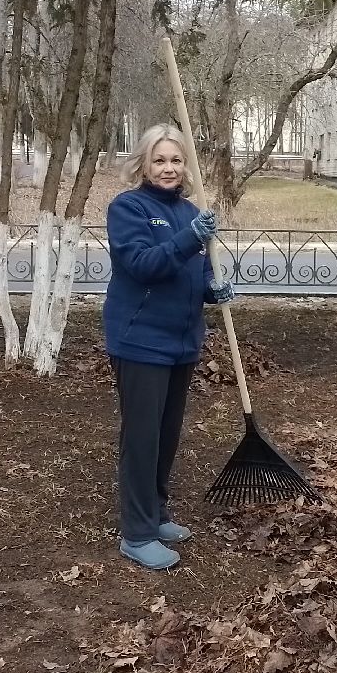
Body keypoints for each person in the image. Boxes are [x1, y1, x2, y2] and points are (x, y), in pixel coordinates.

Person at [103, 124, 234, 571]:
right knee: (141, 437)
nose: (168, 168)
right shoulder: (128, 208)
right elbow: (142, 265)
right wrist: (190, 238)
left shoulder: (188, 212)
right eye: (159, 160)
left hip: (181, 342)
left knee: (167, 434)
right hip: (140, 340)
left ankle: (156, 514)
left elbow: (186, 273)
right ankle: (136, 533)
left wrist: (210, 290)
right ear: (143, 164)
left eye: (176, 160)